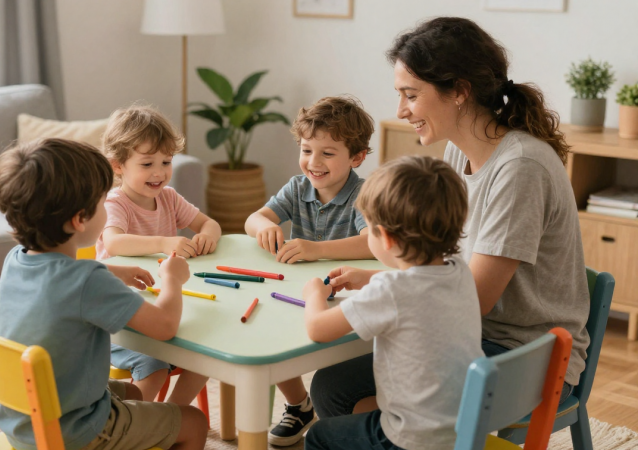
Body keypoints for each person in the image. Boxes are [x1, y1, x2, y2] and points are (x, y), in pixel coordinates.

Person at [311, 16, 589, 421]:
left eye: (410, 95)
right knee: (335, 383)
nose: (401, 110)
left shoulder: (520, 168)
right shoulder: (461, 151)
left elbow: (473, 299)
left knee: (339, 391)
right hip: (475, 337)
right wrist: (376, 280)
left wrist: (389, 284)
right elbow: (450, 267)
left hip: (522, 359)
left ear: (459, 91)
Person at [0, 138, 207, 450]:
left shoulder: (16, 260)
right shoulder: (86, 281)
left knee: (133, 395)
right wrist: (172, 279)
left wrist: (112, 273)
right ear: (80, 219)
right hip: (75, 431)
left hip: (25, 420)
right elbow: (164, 327)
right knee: (194, 421)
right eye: (103, 202)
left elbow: (61, 282)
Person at [303, 156, 483, 450]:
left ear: (384, 237)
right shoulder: (458, 270)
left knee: (319, 436)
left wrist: (314, 294)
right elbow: (417, 287)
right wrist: (369, 278)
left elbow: (318, 329)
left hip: (410, 439)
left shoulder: (392, 291)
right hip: (459, 428)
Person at [244, 96, 375, 446]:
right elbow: (253, 219)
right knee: (262, 334)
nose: (313, 163)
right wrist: (264, 228)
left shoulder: (364, 195)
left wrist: (316, 250)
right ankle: (297, 404)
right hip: (301, 292)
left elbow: (372, 243)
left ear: (357, 157)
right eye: (306, 150)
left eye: (327, 153)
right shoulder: (297, 187)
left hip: (346, 298)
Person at [97, 105, 218, 404]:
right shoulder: (116, 203)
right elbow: (113, 243)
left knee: (208, 351)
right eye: (147, 163)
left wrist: (205, 236)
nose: (159, 172)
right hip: (118, 320)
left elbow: (209, 223)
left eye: (166, 161)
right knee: (154, 365)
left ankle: (172, 416)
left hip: (162, 305)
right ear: (118, 166)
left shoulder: (169, 197)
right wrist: (164, 242)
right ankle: (137, 423)